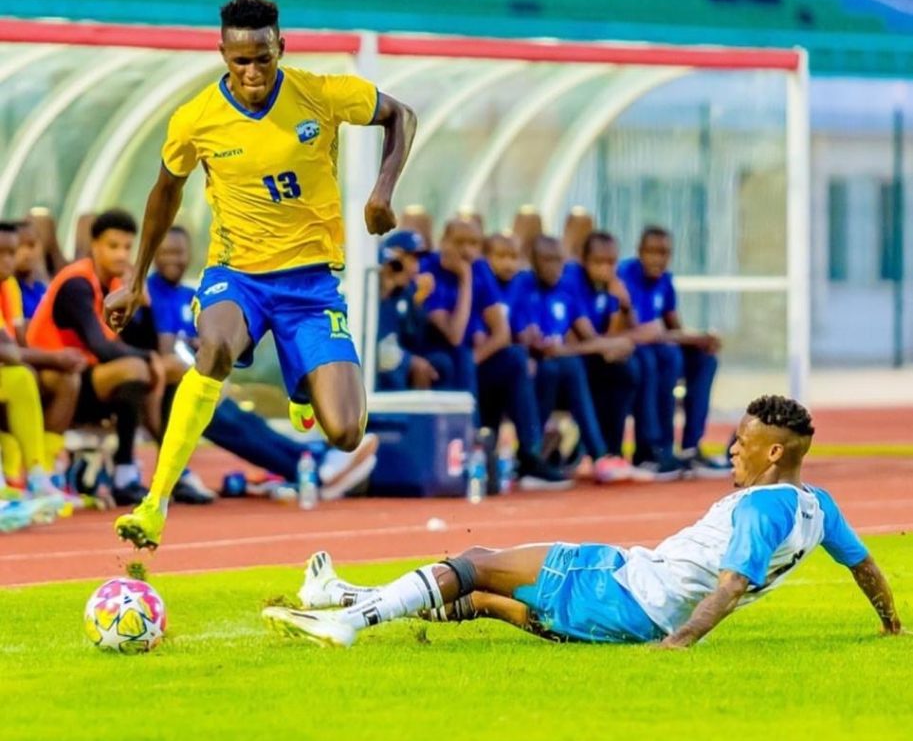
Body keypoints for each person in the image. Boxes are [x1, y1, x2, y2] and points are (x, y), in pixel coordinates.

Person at [105, 0, 416, 548]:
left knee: (346, 432)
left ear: (281, 48)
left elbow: (401, 115)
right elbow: (164, 192)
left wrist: (382, 191)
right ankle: (155, 502)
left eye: (263, 58)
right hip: (237, 274)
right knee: (214, 349)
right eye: (241, 60)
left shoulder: (319, 93)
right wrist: (134, 282)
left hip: (311, 285)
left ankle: (302, 384)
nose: (252, 72)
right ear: (223, 53)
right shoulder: (196, 118)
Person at [263, 395, 904, 649]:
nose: (732, 448)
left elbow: (733, 583)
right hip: (629, 610)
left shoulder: (761, 507)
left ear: (774, 452)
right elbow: (865, 566)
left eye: (743, 441)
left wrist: (681, 643)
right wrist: (891, 623)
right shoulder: (818, 507)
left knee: (475, 562)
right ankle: (342, 596)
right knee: (483, 597)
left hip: (622, 592)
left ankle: (349, 622)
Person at [147, 226, 378, 500]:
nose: (173, 259)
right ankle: (309, 465)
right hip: (160, 390)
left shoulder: (190, 294)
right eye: (166, 252)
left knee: (238, 416)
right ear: (155, 256)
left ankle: (311, 458)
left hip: (192, 381)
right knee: (226, 418)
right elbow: (164, 353)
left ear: (190, 255)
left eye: (179, 252)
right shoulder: (151, 294)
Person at [27, 210, 160, 504]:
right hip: (54, 377)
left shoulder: (114, 285)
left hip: (87, 375)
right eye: (113, 246)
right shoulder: (77, 283)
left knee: (165, 369)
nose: (122, 255)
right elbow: (101, 347)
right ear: (95, 245)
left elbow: (145, 344)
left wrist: (144, 302)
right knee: (138, 368)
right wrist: (149, 359)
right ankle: (129, 469)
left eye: (127, 247)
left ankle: (164, 468)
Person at [423, 218, 567, 489]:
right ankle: (473, 451)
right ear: (444, 242)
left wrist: (474, 361)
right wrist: (465, 278)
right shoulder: (430, 269)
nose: (467, 250)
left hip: (470, 359)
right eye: (460, 242)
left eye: (474, 243)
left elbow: (501, 333)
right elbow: (454, 335)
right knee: (461, 358)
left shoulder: (479, 268)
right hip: (438, 358)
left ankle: (530, 456)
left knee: (515, 358)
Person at [514, 235, 635, 483]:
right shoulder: (523, 286)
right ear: (533, 261)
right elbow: (522, 336)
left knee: (619, 368)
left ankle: (602, 453)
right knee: (561, 368)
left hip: (560, 371)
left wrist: (617, 343)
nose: (553, 267)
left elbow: (590, 338)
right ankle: (535, 456)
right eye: (546, 260)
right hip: (528, 370)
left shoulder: (565, 291)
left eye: (558, 260)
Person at [619, 226, 725, 479]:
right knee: (663, 357)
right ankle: (652, 450)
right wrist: (688, 337)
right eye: (652, 252)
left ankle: (690, 448)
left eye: (664, 253)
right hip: (634, 353)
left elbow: (673, 328)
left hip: (661, 351)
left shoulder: (665, 281)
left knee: (705, 360)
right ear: (640, 252)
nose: (658, 259)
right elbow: (640, 332)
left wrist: (699, 340)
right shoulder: (625, 276)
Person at [0, 221, 85, 489]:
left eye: (11, 252)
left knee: (64, 380)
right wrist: (55, 358)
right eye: (1, 253)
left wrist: (57, 359)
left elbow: (15, 345)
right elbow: (8, 352)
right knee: (21, 377)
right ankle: (21, 472)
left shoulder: (9, 287)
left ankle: (43, 471)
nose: (8, 260)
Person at [562, 232, 640, 472]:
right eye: (598, 262)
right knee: (597, 368)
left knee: (627, 370)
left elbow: (618, 332)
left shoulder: (611, 285)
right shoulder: (572, 281)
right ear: (584, 260)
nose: (605, 268)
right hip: (570, 357)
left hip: (594, 356)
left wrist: (624, 305)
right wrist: (614, 345)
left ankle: (613, 451)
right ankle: (597, 453)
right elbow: (587, 336)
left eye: (611, 262)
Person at [376, 229, 446, 391]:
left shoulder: (406, 292)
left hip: (398, 355)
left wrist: (418, 303)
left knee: (441, 363)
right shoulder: (373, 285)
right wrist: (409, 361)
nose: (416, 268)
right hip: (375, 362)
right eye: (411, 259)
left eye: (417, 260)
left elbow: (415, 339)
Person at [13, 217, 49, 324]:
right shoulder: (6, 289)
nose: (26, 253)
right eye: (20, 246)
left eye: (31, 245)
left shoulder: (43, 289)